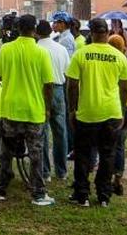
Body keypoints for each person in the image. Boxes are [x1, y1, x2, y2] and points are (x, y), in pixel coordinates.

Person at [0, 14, 54, 205]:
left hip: (10, 108)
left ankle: (0, 189)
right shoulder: (42, 52)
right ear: (34, 30)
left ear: (17, 28)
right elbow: (48, 84)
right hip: (34, 110)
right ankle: (38, 193)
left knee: (6, 152)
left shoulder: (6, 49)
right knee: (36, 154)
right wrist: (47, 108)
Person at [66, 18, 127, 208]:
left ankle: (82, 194)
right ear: (108, 32)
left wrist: (72, 109)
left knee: (83, 154)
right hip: (111, 112)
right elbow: (125, 88)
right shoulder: (119, 56)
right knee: (107, 155)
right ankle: (104, 195)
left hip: (87, 112)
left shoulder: (81, 54)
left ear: (91, 32)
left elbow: (72, 85)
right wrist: (122, 111)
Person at [36, 20, 70, 182]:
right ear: (51, 31)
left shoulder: (37, 49)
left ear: (37, 33)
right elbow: (67, 72)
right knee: (60, 131)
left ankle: (45, 171)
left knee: (42, 131)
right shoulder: (61, 49)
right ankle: (61, 170)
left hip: (41, 89)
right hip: (58, 89)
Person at [107, 35, 127, 196]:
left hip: (118, 107)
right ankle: (118, 177)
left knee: (110, 144)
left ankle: (109, 176)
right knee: (121, 144)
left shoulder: (114, 64)